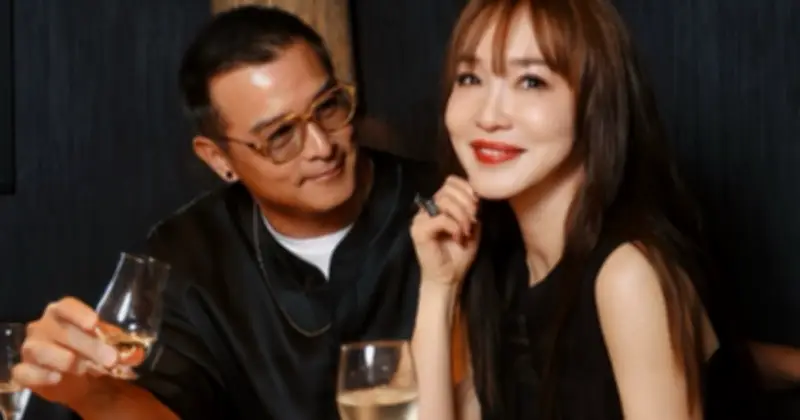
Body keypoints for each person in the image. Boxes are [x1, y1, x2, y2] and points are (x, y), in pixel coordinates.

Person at [13, 6, 435, 420]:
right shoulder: (186, 257)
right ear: (219, 159)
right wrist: (95, 396)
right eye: (280, 134)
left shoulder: (441, 205)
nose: (321, 147)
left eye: (327, 107)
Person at [410, 0, 759, 419]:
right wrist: (439, 287)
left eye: (531, 82)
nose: (488, 115)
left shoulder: (627, 274)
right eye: (470, 78)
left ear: (596, 103)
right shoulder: (500, 262)